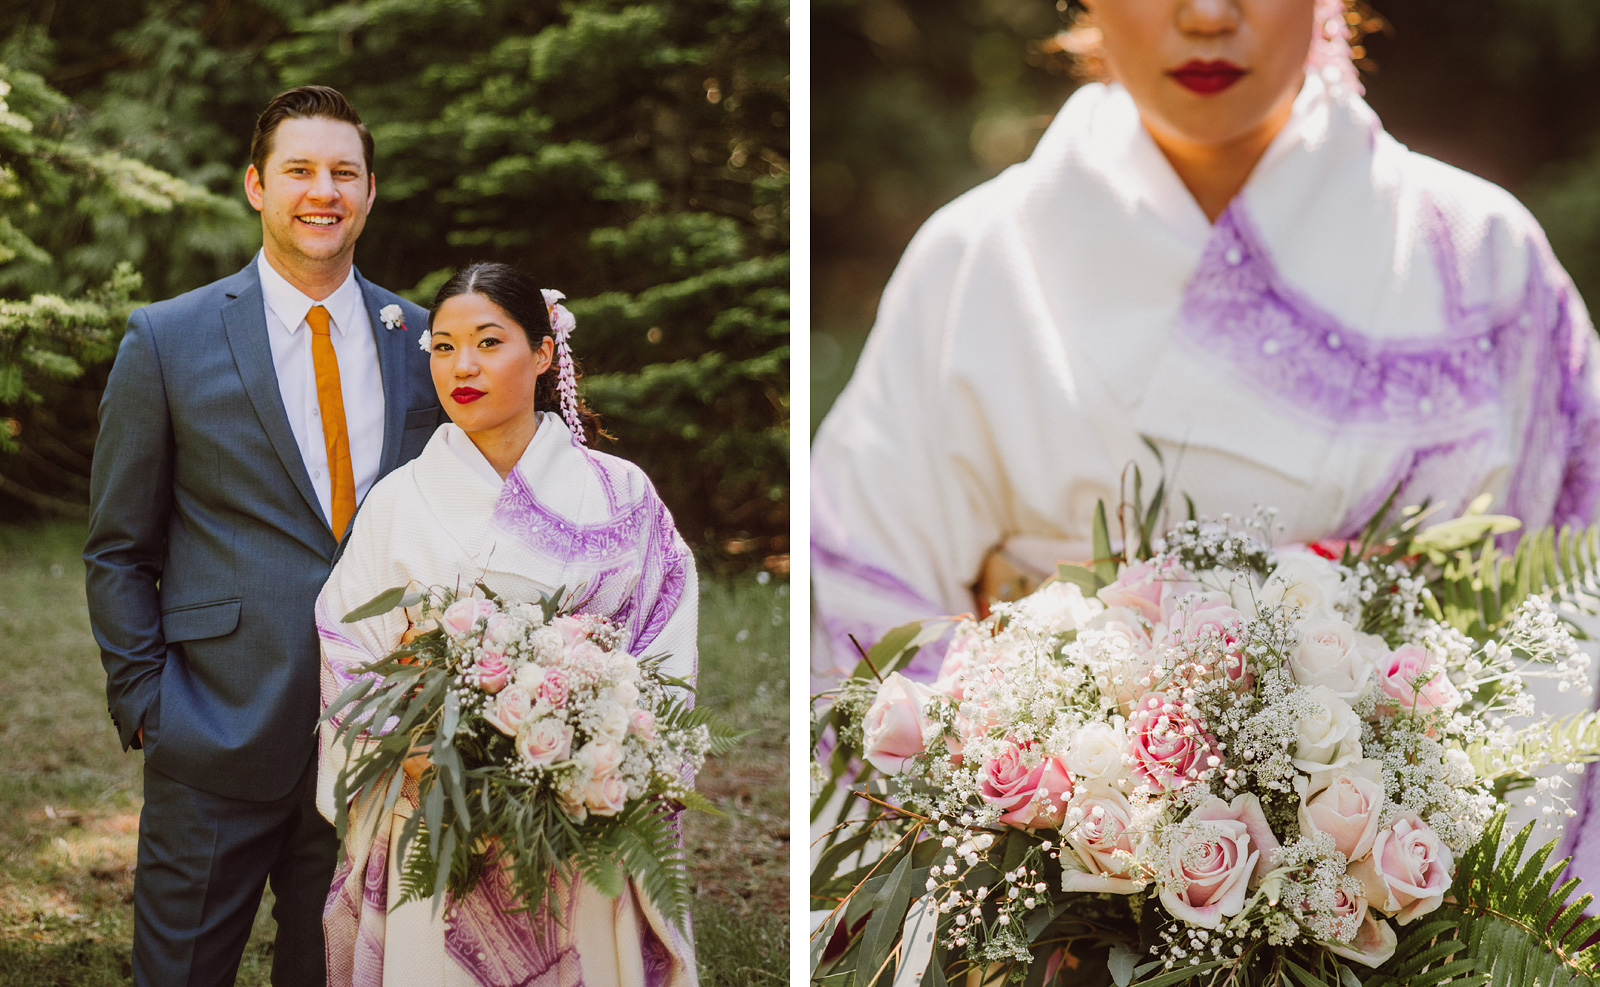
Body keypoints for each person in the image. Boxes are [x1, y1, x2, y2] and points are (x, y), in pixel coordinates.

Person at [810, 0, 1600, 685]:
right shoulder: (973, 259)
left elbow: (1572, 609)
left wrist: (1417, 802)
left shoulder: (1480, 257)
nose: (1208, 17)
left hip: (1427, 854)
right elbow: (863, 615)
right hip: (1028, 844)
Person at [84, 86, 444, 985]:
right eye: (299, 170)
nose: (322, 191)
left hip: (376, 748)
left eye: (343, 173)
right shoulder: (167, 339)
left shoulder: (426, 340)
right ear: (255, 185)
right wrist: (149, 708)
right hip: (213, 731)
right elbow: (119, 547)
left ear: (370, 192)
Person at [314, 263, 698, 987]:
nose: (462, 366)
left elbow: (665, 643)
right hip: (435, 816)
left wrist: (599, 745)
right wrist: (411, 754)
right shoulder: (399, 501)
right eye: (444, 345)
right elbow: (345, 648)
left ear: (546, 352)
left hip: (581, 823)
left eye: (489, 342)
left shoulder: (622, 494)